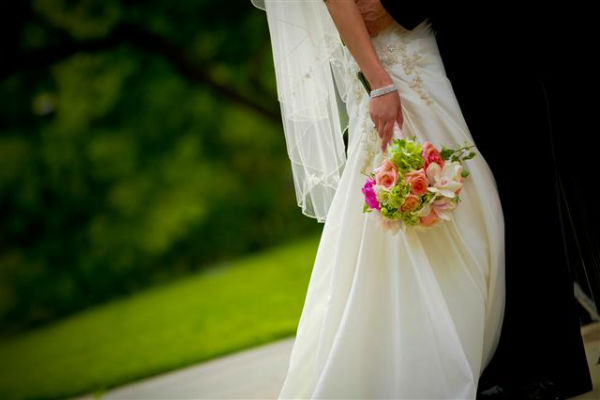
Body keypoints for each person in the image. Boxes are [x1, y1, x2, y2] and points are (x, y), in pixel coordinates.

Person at [251, 0, 505, 398]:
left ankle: (461, 347)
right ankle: (421, 360)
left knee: (469, 201)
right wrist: (380, 82)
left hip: (423, 51)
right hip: (391, 67)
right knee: (421, 218)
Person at [372, 6, 594, 399]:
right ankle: (533, 365)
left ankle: (552, 368)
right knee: (507, 213)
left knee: (528, 208)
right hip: (465, 64)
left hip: (494, 58)